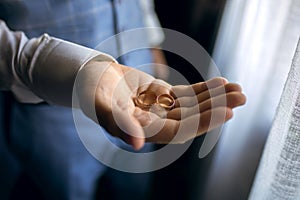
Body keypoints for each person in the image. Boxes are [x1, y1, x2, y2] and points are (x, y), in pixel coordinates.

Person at [0, 0, 246, 199]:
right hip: (51, 111)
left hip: (141, 85)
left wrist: (151, 41)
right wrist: (38, 62)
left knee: (134, 188)